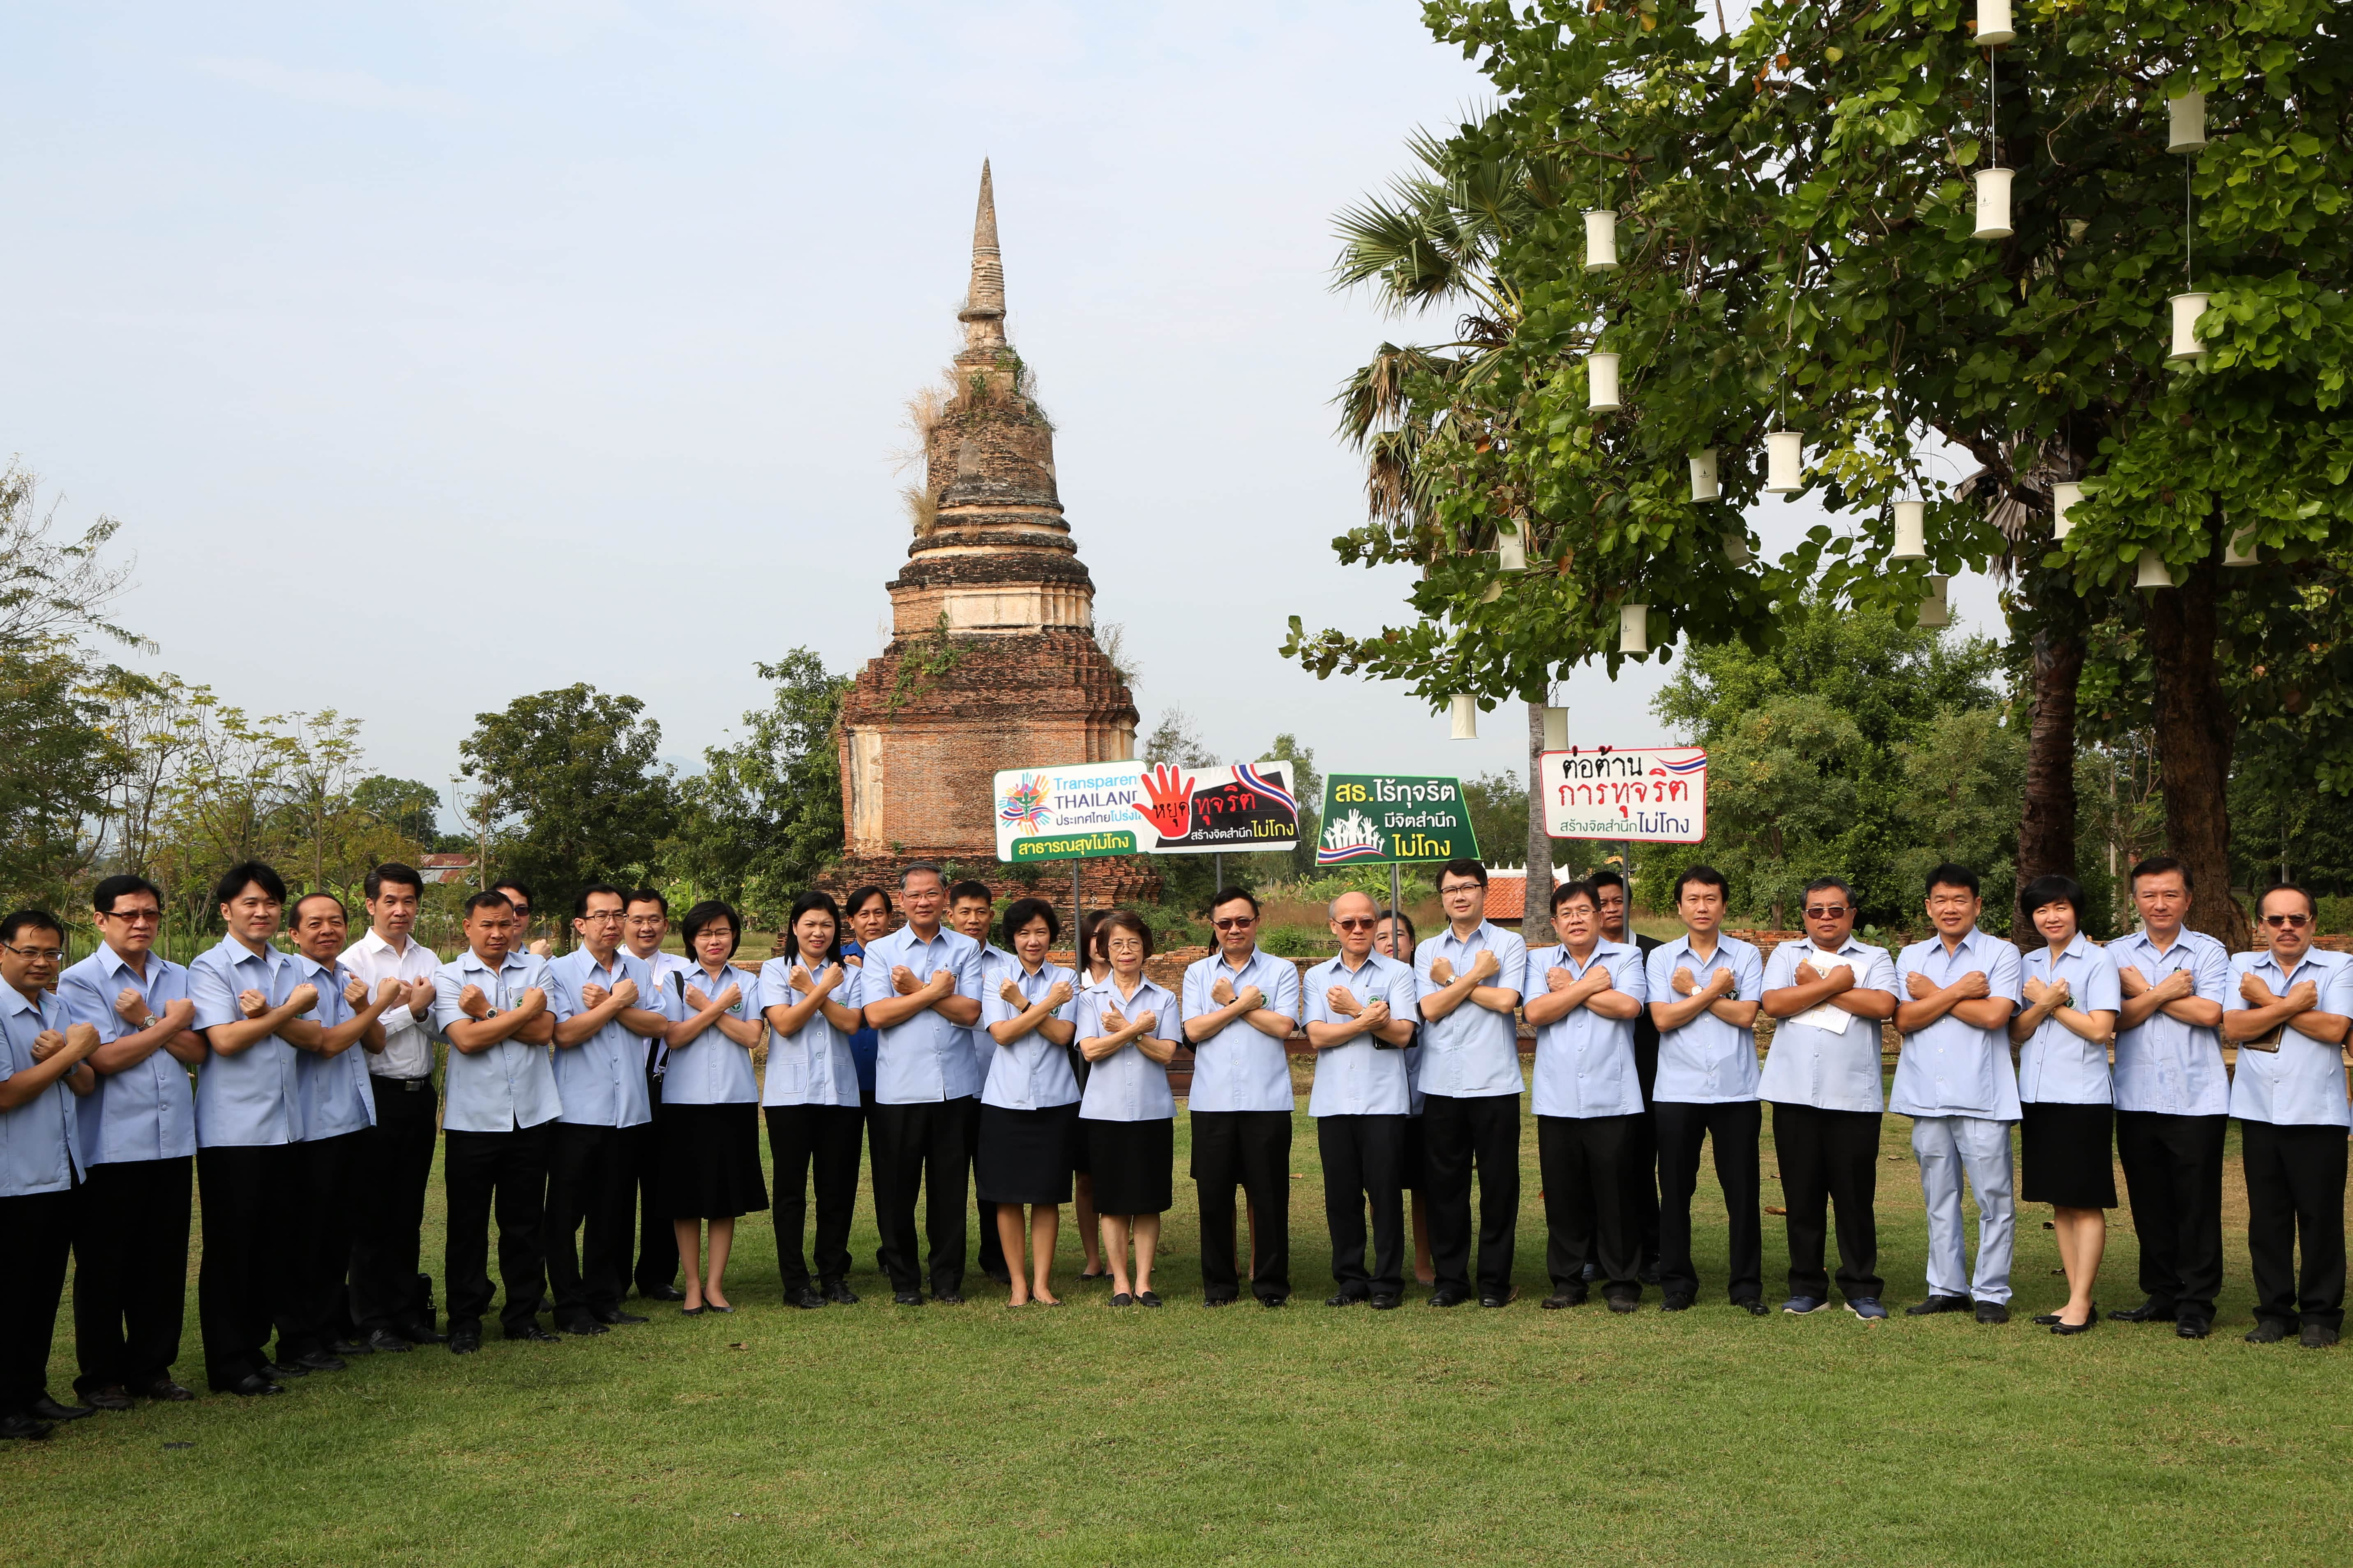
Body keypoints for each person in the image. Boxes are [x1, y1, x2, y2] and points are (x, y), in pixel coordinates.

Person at [59, 875, 201, 1407]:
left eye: (151, 915)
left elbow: (201, 1052)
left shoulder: (179, 975)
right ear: (100, 919)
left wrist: (143, 1020)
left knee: (162, 1262)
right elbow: (105, 1059)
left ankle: (152, 1369)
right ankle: (101, 1377)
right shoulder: (79, 982)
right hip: (111, 1144)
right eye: (128, 916)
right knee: (104, 1264)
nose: (142, 924)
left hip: (171, 1143)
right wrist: (166, 1025)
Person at [187, 861, 315, 1395]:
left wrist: (277, 1015)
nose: (261, 912)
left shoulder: (291, 966)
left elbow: (317, 1039)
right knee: (231, 1248)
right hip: (233, 1132)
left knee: (273, 1245)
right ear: (226, 910)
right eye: (249, 903)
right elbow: (225, 1042)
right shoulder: (210, 966)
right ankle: (228, 1362)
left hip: (286, 1129)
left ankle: (255, 1350)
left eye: (269, 903)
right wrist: (287, 1014)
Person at [1757, 876, 1899, 1318]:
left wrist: (1815, 985)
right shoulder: (1786, 954)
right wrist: (1835, 984)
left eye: (1835, 910)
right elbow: (1775, 1004)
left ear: (1851, 915)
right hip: (1793, 1093)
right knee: (1801, 1197)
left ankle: (1861, 1288)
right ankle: (1807, 1287)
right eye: (1815, 910)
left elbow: (1882, 1007)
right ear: (1803, 916)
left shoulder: (1874, 956)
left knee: (1854, 1198)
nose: (1824, 918)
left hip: (1852, 1097)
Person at [273, 894, 400, 1373]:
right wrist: (382, 1004)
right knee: (304, 1237)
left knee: (337, 1235)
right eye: (314, 923)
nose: (327, 930)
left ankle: (329, 1329)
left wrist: (366, 1003)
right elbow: (327, 1045)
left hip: (354, 1119)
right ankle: (297, 1339)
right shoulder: (290, 979)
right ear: (294, 933)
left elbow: (376, 1041)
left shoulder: (346, 978)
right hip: (312, 1125)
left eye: (335, 921)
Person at [2106, 854, 2232, 1339]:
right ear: (2135, 900)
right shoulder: (2115, 954)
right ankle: (2160, 1293)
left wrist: (2141, 991)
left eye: (2170, 894)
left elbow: (2208, 1014)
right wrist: (2161, 993)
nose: (2159, 904)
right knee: (2149, 1201)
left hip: (2196, 1099)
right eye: (2149, 895)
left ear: (2188, 898)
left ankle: (2196, 1302)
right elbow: (2113, 1021)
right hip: (2135, 1097)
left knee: (2196, 1203)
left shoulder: (2207, 951)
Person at [1892, 864, 2023, 1324]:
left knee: (1994, 1199)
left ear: (1977, 905)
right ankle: (1946, 1287)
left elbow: (1995, 1018)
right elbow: (1904, 1022)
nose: (1950, 909)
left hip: (1982, 1096)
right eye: (1941, 901)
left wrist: (1932, 995)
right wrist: (1960, 991)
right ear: (1928, 907)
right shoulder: (1910, 957)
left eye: (1960, 900)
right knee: (1938, 1197)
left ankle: (1990, 1292)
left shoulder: (2002, 953)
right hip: (1925, 1093)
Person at [2224, 883, 2353, 1348]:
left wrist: (2265, 1001)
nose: (2286, 928)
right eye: (2275, 920)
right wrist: (2295, 1004)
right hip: (2258, 1110)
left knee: (2319, 1217)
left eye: (2296, 919)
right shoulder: (2241, 966)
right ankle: (2274, 1312)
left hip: (2317, 1112)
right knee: (2267, 1218)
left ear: (2312, 925)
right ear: (2261, 925)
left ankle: (2321, 1314)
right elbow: (2234, 1027)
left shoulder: (2338, 966)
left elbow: (2334, 1027)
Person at [433, 890, 563, 1354]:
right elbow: (466, 1042)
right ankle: (465, 1319)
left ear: (516, 927)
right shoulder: (449, 976)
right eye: (487, 925)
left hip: (530, 1114)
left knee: (525, 1222)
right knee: (467, 1225)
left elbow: (543, 1032)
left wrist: (489, 1012)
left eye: (505, 924)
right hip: (473, 1120)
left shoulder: (536, 969)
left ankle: (522, 1315)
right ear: (467, 927)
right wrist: (520, 1015)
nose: (496, 934)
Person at [856, 862, 984, 1305]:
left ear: (945, 899)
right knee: (896, 1191)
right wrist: (931, 993)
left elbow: (970, 1014)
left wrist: (909, 993)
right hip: (899, 1089)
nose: (923, 902)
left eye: (931, 894)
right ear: (902, 903)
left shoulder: (965, 948)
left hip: (955, 1088)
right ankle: (904, 1281)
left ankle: (947, 1280)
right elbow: (876, 1016)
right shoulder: (881, 952)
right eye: (914, 896)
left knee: (949, 1191)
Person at [543, 885, 667, 1337]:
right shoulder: (557, 972)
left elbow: (659, 1026)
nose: (612, 924)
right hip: (578, 1110)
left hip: (628, 1110)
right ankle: (569, 1306)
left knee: (611, 1213)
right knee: (564, 1215)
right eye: (601, 916)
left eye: (618, 915)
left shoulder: (636, 968)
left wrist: (613, 1008)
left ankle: (604, 1298)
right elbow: (565, 1035)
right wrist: (618, 1003)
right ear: (580, 924)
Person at [1523, 880, 1649, 1312]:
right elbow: (1535, 1013)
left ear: (1599, 916)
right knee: (1563, 1195)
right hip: (1556, 1096)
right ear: (1555, 923)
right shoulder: (1538, 960)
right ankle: (1567, 1282)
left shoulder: (1627, 956)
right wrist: (1590, 985)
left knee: (1616, 1195)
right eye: (1566, 914)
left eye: (1584, 911)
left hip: (1612, 1095)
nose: (1575, 920)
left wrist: (1567, 989)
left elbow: (1629, 1007)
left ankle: (1621, 1283)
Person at [0, 910, 102, 1440]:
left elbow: (83, 1086)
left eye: (52, 953)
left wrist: (69, 1059)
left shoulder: (58, 1007)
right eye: (30, 952)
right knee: (10, 1293)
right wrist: (77, 1051)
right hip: (11, 1178)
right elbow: (6, 1094)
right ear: (3, 952)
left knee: (42, 1291)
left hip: (61, 1171)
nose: (43, 962)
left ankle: (31, 1390)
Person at [1646, 867, 1766, 1314]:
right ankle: (1677, 1283)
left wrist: (1695, 990)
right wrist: (1717, 991)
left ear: (1723, 905)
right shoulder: (1661, 959)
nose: (1701, 907)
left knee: (1741, 1191)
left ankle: (1746, 1286)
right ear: (1678, 907)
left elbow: (1745, 1017)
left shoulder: (1746, 955)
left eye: (1710, 898)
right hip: (1677, 1090)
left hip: (1735, 1091)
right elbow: (1663, 1020)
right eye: (1693, 899)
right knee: (1676, 1190)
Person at [341, 862, 448, 1351]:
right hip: (375, 1096)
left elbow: (439, 1025)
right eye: (390, 901)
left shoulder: (429, 958)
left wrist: (420, 1010)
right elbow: (368, 1040)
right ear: (370, 904)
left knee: (408, 1210)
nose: (401, 910)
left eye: (408, 901)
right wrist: (410, 1008)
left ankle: (407, 1313)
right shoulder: (354, 961)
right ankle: (371, 1319)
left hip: (419, 1093)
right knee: (370, 1211)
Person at [2007, 874, 2120, 1335]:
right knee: (2059, 1203)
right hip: (2036, 1095)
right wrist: (2043, 1002)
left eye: (2059, 908)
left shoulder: (2098, 961)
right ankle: (2076, 1300)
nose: (2050, 917)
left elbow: (2099, 1030)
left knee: (2085, 1201)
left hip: (2081, 1097)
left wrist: (2054, 1002)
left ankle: (2079, 1302)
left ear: (2075, 911)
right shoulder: (2028, 962)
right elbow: (2016, 1032)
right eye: (2040, 911)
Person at [1414, 860, 1528, 1308]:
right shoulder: (1427, 951)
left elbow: (1506, 1001)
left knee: (1499, 1187)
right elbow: (1430, 1009)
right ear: (1441, 898)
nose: (1459, 897)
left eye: (1467, 888)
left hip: (1494, 1082)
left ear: (1484, 892)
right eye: (1449, 890)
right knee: (1446, 1187)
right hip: (1441, 1083)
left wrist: (1453, 983)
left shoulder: (1509, 943)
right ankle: (1450, 1281)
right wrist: (1475, 975)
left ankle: (1495, 1284)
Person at [1183, 886, 1303, 1308]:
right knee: (1213, 1197)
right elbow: (1194, 1032)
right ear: (1213, 927)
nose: (1234, 929)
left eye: (1242, 921)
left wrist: (1230, 1002)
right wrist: (1244, 1006)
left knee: (1268, 1196)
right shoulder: (1197, 973)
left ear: (1257, 922)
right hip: (1212, 1101)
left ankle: (1270, 1284)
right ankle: (1219, 1285)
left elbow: (1283, 1027)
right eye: (1224, 923)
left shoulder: (1280, 971)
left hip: (1266, 1100)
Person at [1303, 890, 1419, 1309]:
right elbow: (1317, 1036)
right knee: (1342, 1197)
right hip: (1333, 1101)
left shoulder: (1397, 974)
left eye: (1366, 923)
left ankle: (1387, 1279)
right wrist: (1370, 1020)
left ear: (1376, 925)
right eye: (1348, 923)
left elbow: (1403, 1034)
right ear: (1333, 926)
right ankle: (1350, 1279)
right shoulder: (1317, 977)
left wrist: (1354, 1011)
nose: (1357, 930)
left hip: (1383, 1100)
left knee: (1385, 1195)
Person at [658, 901, 768, 1317]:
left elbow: (750, 1038)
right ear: (691, 940)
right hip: (683, 1101)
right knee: (685, 1199)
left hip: (734, 1099)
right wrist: (718, 1006)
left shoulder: (747, 982)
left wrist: (709, 1007)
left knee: (726, 1196)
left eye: (721, 932)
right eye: (704, 934)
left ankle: (715, 1286)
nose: (714, 941)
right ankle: (690, 1286)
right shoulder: (675, 981)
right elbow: (675, 1037)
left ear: (734, 936)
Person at [761, 891, 866, 1308]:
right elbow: (784, 1024)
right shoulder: (774, 970)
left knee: (836, 1188)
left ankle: (833, 1275)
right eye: (809, 924)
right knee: (790, 1191)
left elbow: (852, 1023)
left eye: (825, 925)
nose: (818, 932)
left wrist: (813, 990)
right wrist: (821, 989)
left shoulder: (851, 976)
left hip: (839, 1095)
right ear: (794, 928)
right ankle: (795, 1282)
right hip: (789, 1097)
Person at [979, 897, 1081, 1306]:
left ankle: (1041, 1283)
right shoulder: (995, 978)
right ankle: (1018, 1284)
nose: (1032, 940)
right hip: (1004, 1100)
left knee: (1046, 1194)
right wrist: (1043, 1007)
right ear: (1012, 938)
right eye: (1023, 933)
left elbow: (1062, 1036)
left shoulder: (1066, 978)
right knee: (1006, 1195)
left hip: (1056, 1099)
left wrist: (1023, 1004)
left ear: (1051, 936)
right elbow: (1001, 1035)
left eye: (1040, 932)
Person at [1075, 910, 1181, 1306]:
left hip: (1153, 1111)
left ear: (1146, 949)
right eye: (1116, 944)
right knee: (1113, 1201)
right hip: (1105, 1112)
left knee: (1149, 1199)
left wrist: (1126, 1032)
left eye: (1133, 943)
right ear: (1104, 950)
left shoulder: (1164, 998)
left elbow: (1167, 1054)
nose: (1125, 951)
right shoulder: (1090, 999)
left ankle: (1143, 1282)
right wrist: (1137, 1029)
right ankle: (1120, 1282)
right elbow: (1091, 1051)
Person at [1592, 867, 1663, 1284]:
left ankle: (1650, 1250)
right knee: (1599, 1167)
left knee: (1640, 1164)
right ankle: (1596, 1251)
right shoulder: (1580, 954)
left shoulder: (1656, 954)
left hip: (1646, 1070)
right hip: (1596, 1073)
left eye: (1618, 900)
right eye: (1601, 903)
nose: (1610, 909)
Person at [622, 888, 692, 1303]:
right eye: (637, 919)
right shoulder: (608, 967)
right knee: (615, 1184)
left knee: (662, 1181)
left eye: (654, 919)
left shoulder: (683, 970)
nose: (646, 927)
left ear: (666, 924)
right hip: (618, 1083)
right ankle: (609, 1275)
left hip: (667, 1083)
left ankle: (657, 1275)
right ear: (623, 923)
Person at [949, 878, 1013, 1287]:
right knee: (950, 1179)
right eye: (964, 913)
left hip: (995, 1086)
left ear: (991, 915)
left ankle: (997, 1258)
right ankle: (948, 1262)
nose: (973, 920)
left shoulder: (1006, 965)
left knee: (995, 1178)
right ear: (949, 915)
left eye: (980, 912)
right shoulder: (938, 961)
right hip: (951, 1087)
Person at [1375, 908, 1435, 1287]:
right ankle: (1387, 1264)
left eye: (1399, 935)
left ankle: (1425, 1263)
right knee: (1383, 1187)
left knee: (1426, 1187)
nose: (1390, 942)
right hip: (1381, 1101)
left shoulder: (1427, 984)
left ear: (1413, 943)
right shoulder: (1369, 983)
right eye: (1382, 936)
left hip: (1425, 1097)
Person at [840, 884, 893, 1277]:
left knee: (891, 1173)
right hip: (842, 1081)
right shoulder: (834, 963)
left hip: (891, 1081)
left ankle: (893, 1251)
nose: (872, 921)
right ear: (851, 921)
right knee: (839, 1174)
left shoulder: (900, 959)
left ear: (889, 917)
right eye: (864, 915)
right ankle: (835, 1258)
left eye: (878, 913)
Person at [1068, 909, 1110, 1282]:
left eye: (1107, 935)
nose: (1100, 943)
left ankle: (1118, 1255)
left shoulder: (1129, 980)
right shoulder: (1072, 982)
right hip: (1078, 1083)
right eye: (1094, 935)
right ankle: (1093, 1256)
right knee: (1086, 1176)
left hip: (1117, 1084)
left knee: (1117, 1173)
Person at [494, 878, 551, 960]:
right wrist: (535, 960)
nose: (515, 917)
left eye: (522, 910)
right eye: (507, 910)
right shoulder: (473, 963)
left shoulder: (548, 960)